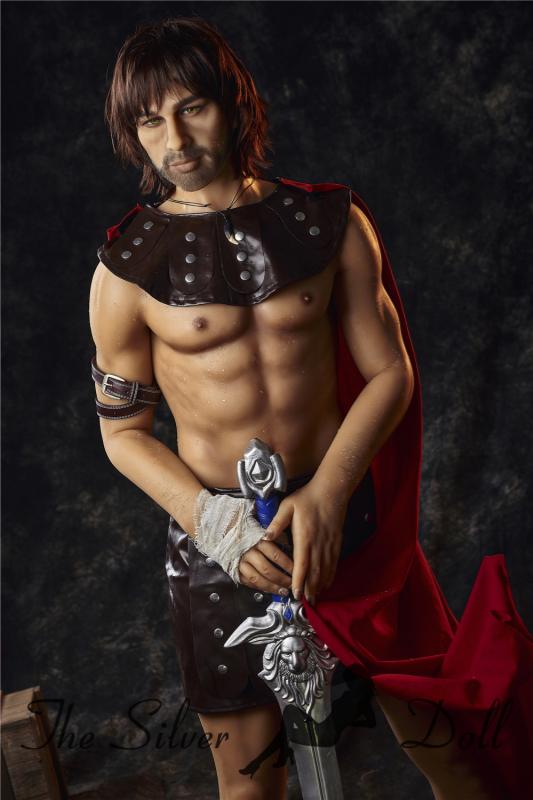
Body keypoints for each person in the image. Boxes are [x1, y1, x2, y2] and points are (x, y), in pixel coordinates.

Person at [89, 16, 532, 800]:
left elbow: (388, 372)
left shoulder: (329, 223)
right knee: (249, 789)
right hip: (225, 551)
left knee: (460, 765)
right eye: (149, 121)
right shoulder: (124, 270)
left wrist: (328, 492)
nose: (174, 140)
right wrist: (211, 521)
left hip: (348, 527)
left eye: (191, 108)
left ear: (231, 103)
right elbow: (122, 433)